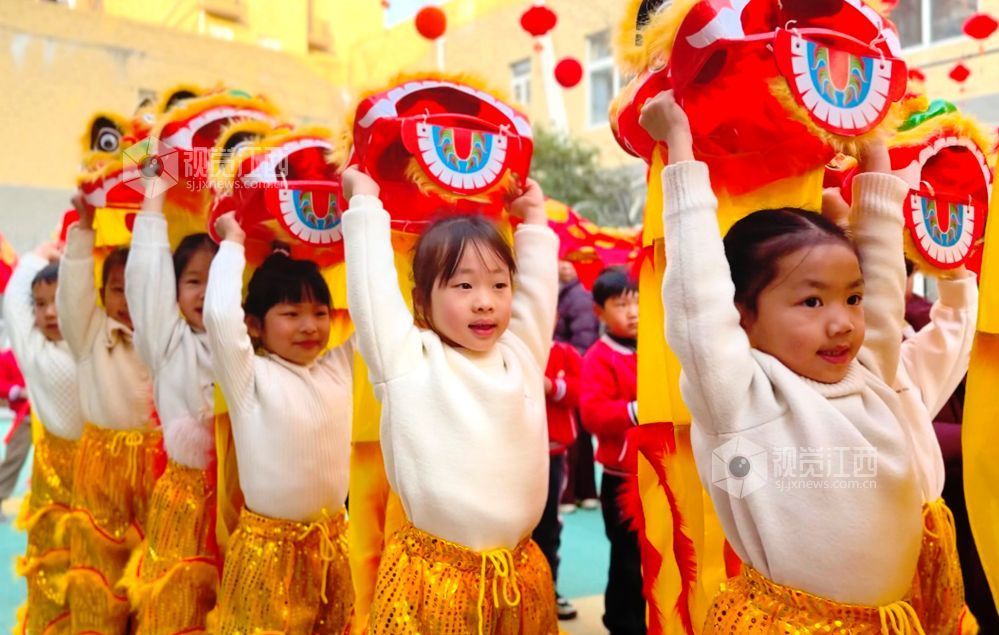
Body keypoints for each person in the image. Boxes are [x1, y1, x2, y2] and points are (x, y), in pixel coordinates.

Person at [643, 90, 925, 631]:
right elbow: (696, 298)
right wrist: (679, 146)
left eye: (852, 298)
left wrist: (875, 158)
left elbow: (886, 283)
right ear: (741, 314)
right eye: (811, 302)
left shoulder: (867, 374)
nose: (842, 322)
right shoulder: (740, 397)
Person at [342, 166, 559, 634]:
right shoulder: (407, 361)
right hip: (433, 588)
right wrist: (364, 204)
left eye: (499, 285)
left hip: (521, 579)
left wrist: (534, 220)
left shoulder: (521, 356)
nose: (485, 301)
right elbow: (372, 294)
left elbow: (539, 295)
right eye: (463, 285)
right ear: (422, 301)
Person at [205, 212, 354, 633]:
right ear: (254, 325)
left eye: (320, 313)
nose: (309, 326)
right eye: (291, 314)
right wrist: (232, 241)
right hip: (266, 556)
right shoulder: (249, 377)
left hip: (332, 550)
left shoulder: (338, 367)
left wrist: (363, 219)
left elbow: (376, 312)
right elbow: (219, 317)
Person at [120, 180, 220, 633]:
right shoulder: (167, 342)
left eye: (217, 280)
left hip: (239, 506)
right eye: (193, 281)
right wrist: (154, 188)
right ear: (174, 291)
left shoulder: (252, 347)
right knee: (175, 616)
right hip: (182, 506)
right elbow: (147, 275)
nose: (205, 293)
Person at [58, 196, 156, 633]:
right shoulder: (90, 333)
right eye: (118, 288)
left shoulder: (165, 337)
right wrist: (84, 227)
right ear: (101, 296)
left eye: (138, 287)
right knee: (99, 578)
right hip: (102, 473)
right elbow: (72, 293)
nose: (129, 298)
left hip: (159, 470)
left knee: (153, 581)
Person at [4, 245, 83, 633]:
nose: (50, 312)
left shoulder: (96, 344)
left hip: (106, 485)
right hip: (53, 490)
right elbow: (15, 294)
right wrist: (43, 252)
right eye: (40, 305)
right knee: (52, 583)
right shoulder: (34, 352)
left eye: (59, 301)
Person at [579, 267, 644, 635]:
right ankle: (622, 625)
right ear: (599, 312)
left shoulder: (656, 347)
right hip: (620, 479)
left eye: (637, 303)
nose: (633, 313)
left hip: (658, 472)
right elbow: (592, 414)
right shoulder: (598, 357)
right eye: (621, 305)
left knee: (658, 556)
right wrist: (635, 411)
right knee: (627, 559)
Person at [533, 338, 583, 621]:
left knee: (549, 525)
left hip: (552, 453)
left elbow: (580, 391)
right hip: (512, 453)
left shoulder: (564, 352)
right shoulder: (506, 349)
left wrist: (551, 387)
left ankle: (549, 588)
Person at [555, 260, 600, 513]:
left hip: (572, 370)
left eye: (571, 262)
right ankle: (585, 492)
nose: (565, 267)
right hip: (570, 369)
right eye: (562, 260)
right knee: (578, 434)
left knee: (574, 433)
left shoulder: (578, 296)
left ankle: (571, 494)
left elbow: (584, 338)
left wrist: (568, 367)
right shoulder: (562, 292)